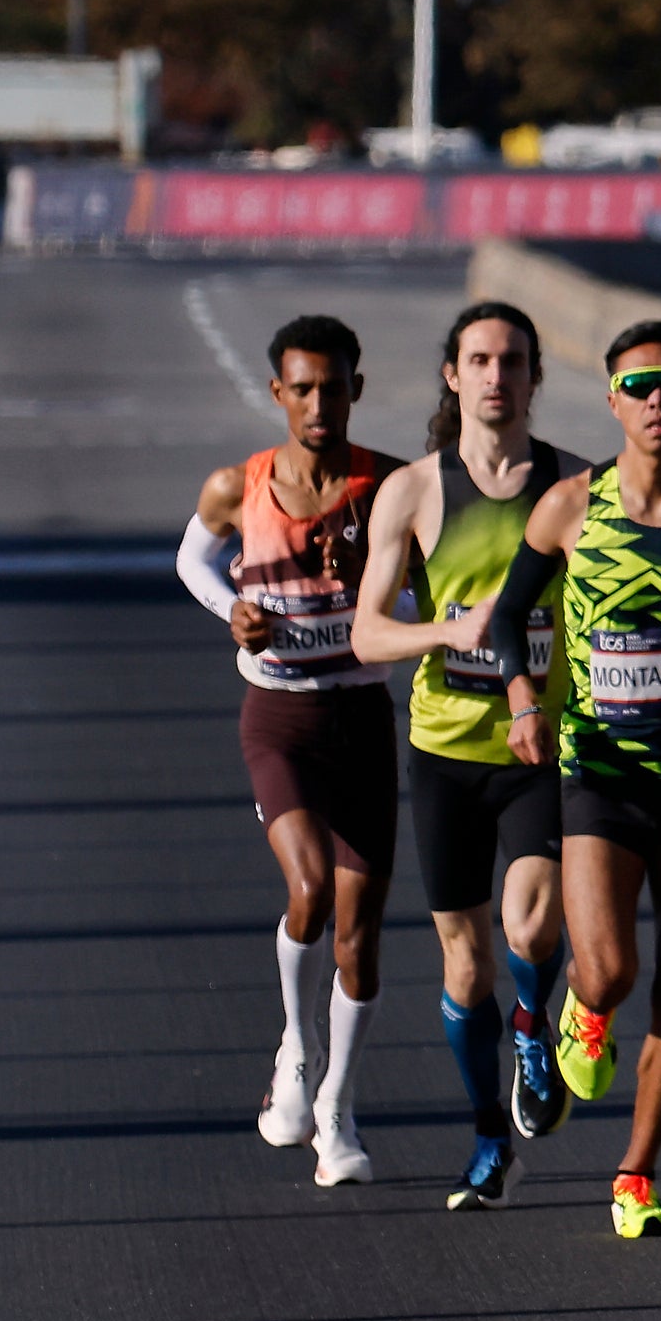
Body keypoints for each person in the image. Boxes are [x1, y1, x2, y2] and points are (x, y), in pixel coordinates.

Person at [489, 322, 661, 1242]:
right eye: (639, 388)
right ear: (612, 401)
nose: (656, 401)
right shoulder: (570, 506)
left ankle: (636, 1176)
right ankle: (584, 1012)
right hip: (601, 768)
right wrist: (524, 699)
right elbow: (507, 618)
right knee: (608, 970)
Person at [347, 300, 574, 1210]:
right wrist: (447, 630)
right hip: (445, 748)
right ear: (453, 374)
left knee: (531, 927)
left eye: (512, 361)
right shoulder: (412, 492)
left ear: (533, 377)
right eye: (479, 360)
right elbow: (367, 634)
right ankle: (490, 1137)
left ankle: (533, 1026)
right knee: (463, 963)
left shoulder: (571, 486)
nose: (495, 376)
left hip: (538, 743)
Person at [178, 313, 399, 1191]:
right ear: (278, 393)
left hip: (362, 719)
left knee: (361, 939)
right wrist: (230, 612)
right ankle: (297, 1050)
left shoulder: (388, 487)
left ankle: (338, 1108)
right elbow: (192, 562)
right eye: (302, 389)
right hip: (280, 718)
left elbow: (427, 592)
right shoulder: (239, 487)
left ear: (356, 389)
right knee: (310, 890)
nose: (318, 405)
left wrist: (375, 584)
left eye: (333, 388)